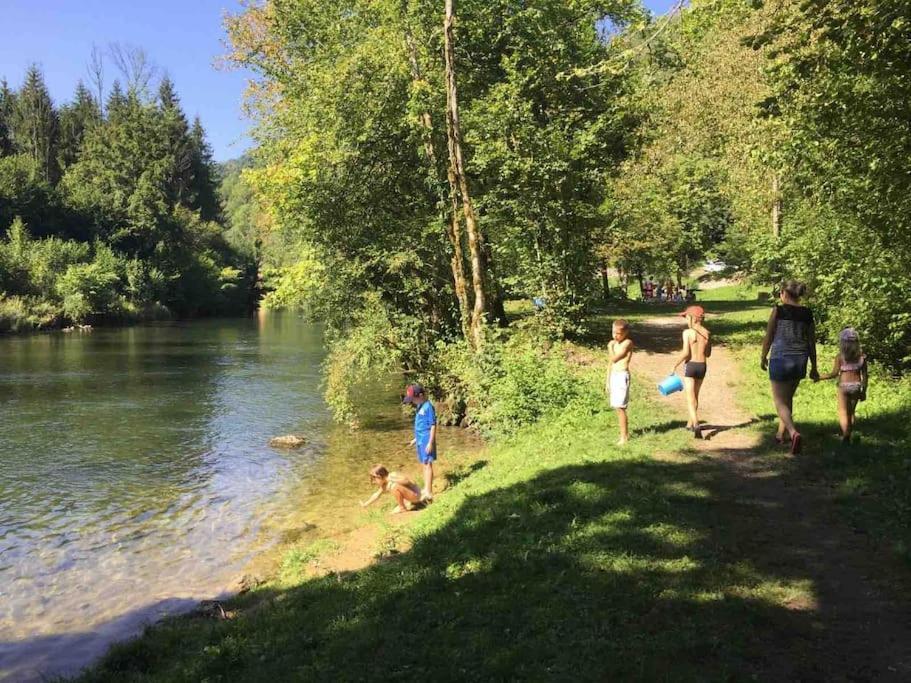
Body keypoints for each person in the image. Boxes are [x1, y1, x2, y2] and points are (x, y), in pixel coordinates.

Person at [760, 280, 819, 454]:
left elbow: (769, 336)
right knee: (788, 399)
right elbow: (811, 342)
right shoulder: (807, 313)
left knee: (779, 401)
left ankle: (793, 433)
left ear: (784, 294)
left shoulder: (778, 310)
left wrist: (763, 356)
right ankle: (781, 434)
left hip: (780, 359)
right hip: (800, 360)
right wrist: (814, 366)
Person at [817, 327, 868, 444]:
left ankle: (846, 435)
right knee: (851, 412)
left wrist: (819, 377)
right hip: (856, 386)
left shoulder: (840, 357)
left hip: (843, 386)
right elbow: (865, 376)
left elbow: (834, 374)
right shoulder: (862, 358)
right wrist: (863, 391)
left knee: (842, 412)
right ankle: (848, 433)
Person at [671, 305, 712, 438]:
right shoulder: (706, 333)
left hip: (691, 366)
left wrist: (675, 365)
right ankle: (690, 423)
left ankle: (696, 424)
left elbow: (686, 353)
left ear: (693, 319)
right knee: (696, 395)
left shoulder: (687, 333)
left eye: (686, 317)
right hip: (702, 366)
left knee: (690, 398)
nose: (685, 320)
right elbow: (708, 353)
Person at [402, 383, 436, 501]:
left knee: (428, 464)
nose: (412, 402)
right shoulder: (419, 407)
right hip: (420, 440)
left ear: (421, 395)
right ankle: (426, 488)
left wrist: (430, 443)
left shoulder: (428, 407)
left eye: (413, 399)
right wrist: (415, 439)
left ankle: (429, 491)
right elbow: (420, 426)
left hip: (427, 440)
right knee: (424, 464)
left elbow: (432, 425)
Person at [606, 319, 634, 445]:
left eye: (618, 334)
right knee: (616, 406)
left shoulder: (627, 343)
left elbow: (615, 358)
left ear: (626, 332)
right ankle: (623, 434)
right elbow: (610, 363)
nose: (615, 336)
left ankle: (624, 437)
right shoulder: (614, 344)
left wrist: (610, 347)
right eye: (613, 333)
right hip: (614, 375)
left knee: (620, 407)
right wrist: (607, 381)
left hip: (622, 375)